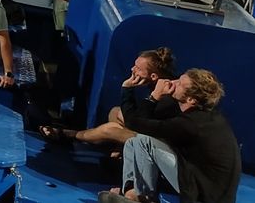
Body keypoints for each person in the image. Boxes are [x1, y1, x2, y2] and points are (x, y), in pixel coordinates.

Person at [102, 69, 240, 203]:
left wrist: (148, 95)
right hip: (204, 184)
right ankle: (131, 193)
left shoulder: (191, 124)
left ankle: (144, 198)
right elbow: (142, 121)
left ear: (191, 99)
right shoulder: (203, 116)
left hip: (205, 195)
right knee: (133, 142)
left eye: (179, 83)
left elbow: (134, 123)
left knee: (143, 142)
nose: (172, 82)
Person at [41, 48, 176, 146]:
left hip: (162, 144)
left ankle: (69, 135)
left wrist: (127, 88)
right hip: (148, 130)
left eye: (138, 69)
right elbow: (140, 117)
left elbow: (135, 123)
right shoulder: (157, 86)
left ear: (153, 76)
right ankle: (118, 152)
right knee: (115, 112)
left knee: (110, 129)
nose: (132, 70)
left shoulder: (165, 95)